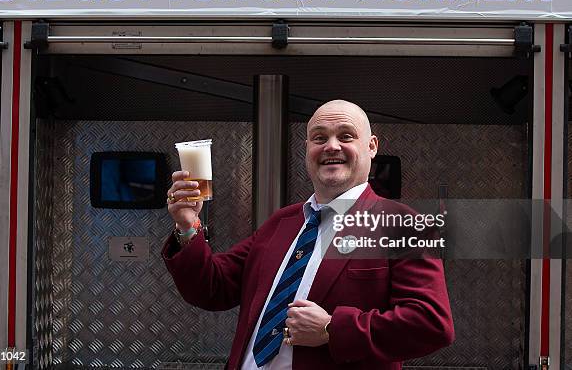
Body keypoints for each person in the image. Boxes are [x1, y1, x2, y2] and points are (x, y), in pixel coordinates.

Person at [162, 99, 454, 370]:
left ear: (372, 146)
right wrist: (188, 226)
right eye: (319, 138)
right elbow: (213, 289)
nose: (331, 146)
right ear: (307, 149)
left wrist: (332, 329)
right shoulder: (282, 222)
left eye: (346, 136)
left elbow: (430, 324)